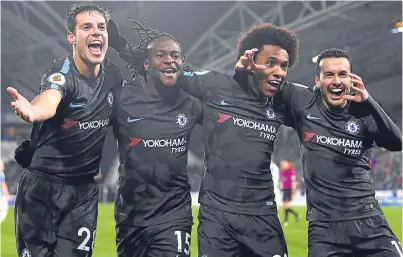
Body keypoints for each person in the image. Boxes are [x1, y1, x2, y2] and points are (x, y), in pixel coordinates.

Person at [109, 22, 299, 257]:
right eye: (271, 63)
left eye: (284, 65)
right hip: (216, 217)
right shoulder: (215, 87)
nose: (279, 71)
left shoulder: (284, 100)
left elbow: (325, 113)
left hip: (263, 216)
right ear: (249, 60)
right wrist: (119, 44)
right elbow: (166, 67)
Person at [239, 47, 403, 256]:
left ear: (352, 80)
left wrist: (369, 101)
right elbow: (265, 85)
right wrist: (249, 72)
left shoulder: (362, 112)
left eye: (342, 74)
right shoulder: (301, 100)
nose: (336, 80)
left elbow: (397, 143)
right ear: (317, 80)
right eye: (329, 75)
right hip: (325, 230)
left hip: (369, 223)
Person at [7, 3, 123, 257]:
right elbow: (49, 99)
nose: (96, 33)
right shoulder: (61, 73)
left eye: (101, 28)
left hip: (82, 191)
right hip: (42, 188)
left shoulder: (114, 77)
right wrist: (33, 111)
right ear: (71, 36)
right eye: (86, 27)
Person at [109, 20, 202, 257]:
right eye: (162, 55)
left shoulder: (191, 102)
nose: (170, 59)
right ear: (146, 63)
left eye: (175, 55)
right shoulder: (123, 98)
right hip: (131, 216)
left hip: (174, 215)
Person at [279, 160, 299, 226]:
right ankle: (296, 215)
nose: (282, 165)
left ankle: (286, 220)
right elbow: (282, 180)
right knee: (285, 205)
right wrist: (281, 185)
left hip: (289, 189)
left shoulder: (290, 171)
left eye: (284, 163)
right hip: (284, 189)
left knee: (286, 205)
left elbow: (293, 181)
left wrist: (293, 191)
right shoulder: (282, 171)